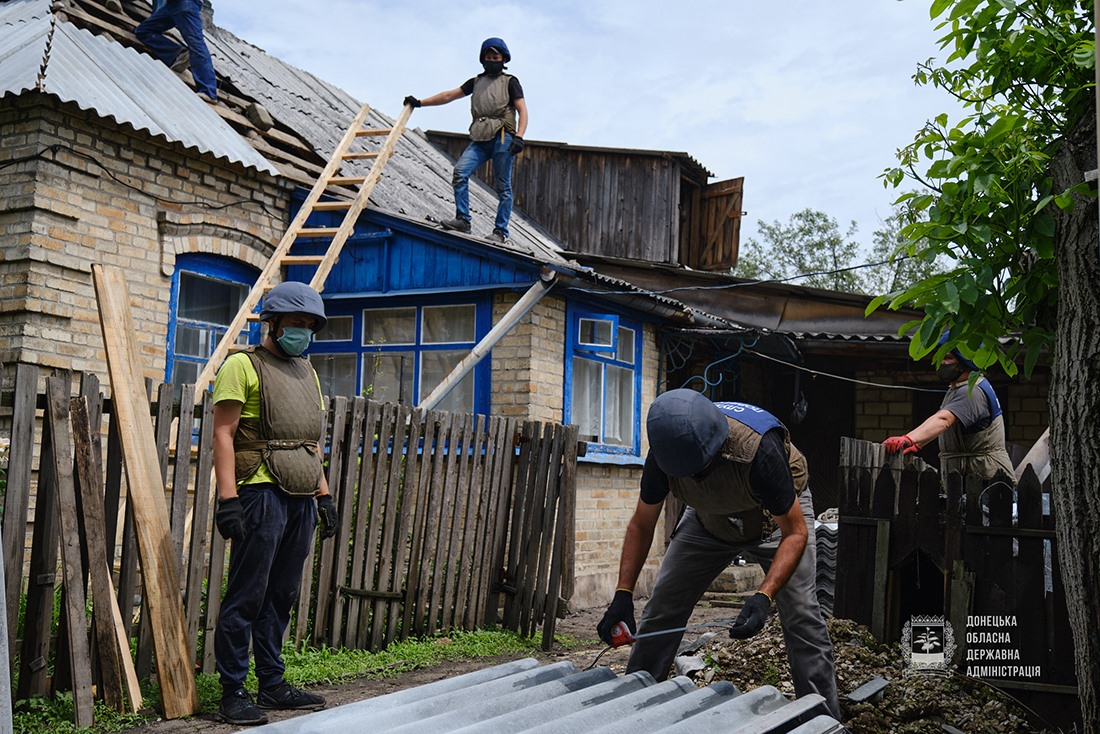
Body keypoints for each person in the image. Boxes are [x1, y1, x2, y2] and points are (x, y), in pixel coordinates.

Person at [597, 389, 840, 719]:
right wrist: (622, 595)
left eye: (700, 468)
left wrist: (763, 597)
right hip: (706, 521)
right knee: (662, 607)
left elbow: (795, 533)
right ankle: (633, 709)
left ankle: (823, 719)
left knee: (802, 616)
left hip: (775, 523)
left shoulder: (760, 451)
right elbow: (641, 525)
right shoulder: (664, 455)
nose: (695, 476)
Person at [211, 281, 339, 726]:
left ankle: (272, 683)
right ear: (273, 323)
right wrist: (228, 499)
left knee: (281, 594)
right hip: (259, 493)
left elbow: (308, 443)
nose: (302, 332)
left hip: (301, 494)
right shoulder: (241, 366)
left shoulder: (308, 372)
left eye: (309, 326)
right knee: (247, 594)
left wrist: (324, 495)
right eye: (296, 324)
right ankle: (232, 692)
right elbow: (223, 434)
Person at [403, 37, 528, 244]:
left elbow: (523, 111)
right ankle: (463, 220)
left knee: (503, 186)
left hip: (503, 137)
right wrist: (420, 103)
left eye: (495, 57)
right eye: (488, 57)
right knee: (460, 172)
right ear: (482, 59)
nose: (491, 60)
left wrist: (520, 137)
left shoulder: (510, 82)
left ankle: (500, 232)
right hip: (480, 137)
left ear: (503, 58)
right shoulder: (476, 82)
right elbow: (448, 95)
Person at [883, 336, 1014, 482]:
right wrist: (917, 444)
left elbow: (943, 419)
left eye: (948, 357)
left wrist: (909, 438)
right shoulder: (957, 389)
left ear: (965, 361)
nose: (941, 362)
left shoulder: (972, 391)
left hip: (985, 480)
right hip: (969, 477)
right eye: (940, 357)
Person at [135, 0, 218, 103]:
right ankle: (178, 54)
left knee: (196, 44)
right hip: (171, 5)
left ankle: (208, 91)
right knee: (143, 31)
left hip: (186, 4)